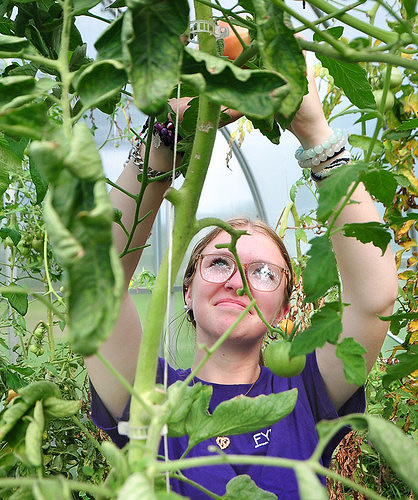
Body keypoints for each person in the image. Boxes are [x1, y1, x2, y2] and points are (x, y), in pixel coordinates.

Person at [85, 65, 398, 499]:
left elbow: (374, 299)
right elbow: (96, 284)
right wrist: (164, 139)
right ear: (188, 292)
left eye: (264, 272)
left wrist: (316, 134)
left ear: (285, 308)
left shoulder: (303, 391)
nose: (237, 281)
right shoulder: (151, 395)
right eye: (218, 263)